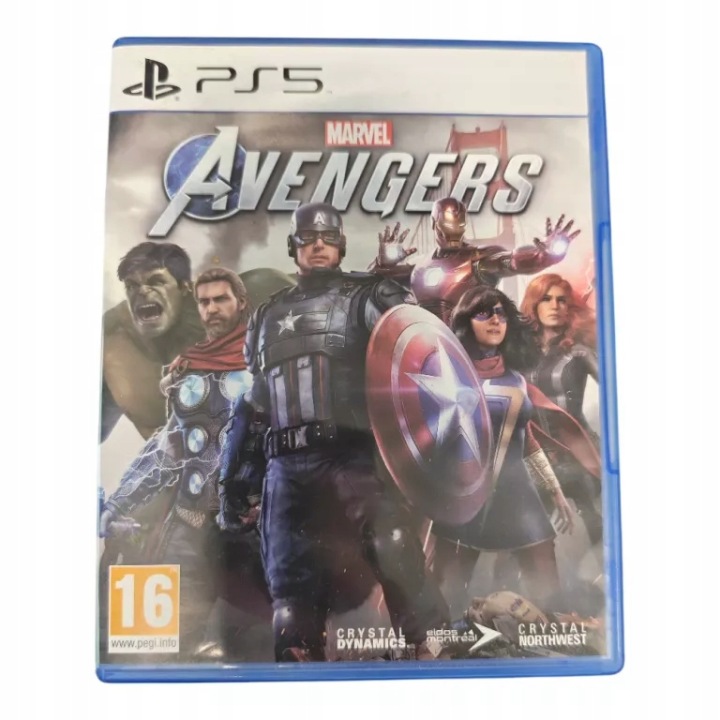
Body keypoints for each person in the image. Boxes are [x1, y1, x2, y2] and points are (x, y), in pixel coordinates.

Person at [216, 202, 450, 662]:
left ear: (341, 245)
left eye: (327, 238)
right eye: (308, 238)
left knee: (392, 548)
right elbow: (254, 402)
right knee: (288, 583)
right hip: (284, 469)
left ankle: (431, 647)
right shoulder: (267, 315)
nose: (318, 245)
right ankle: (300, 670)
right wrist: (233, 478)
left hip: (352, 455)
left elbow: (422, 357)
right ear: (294, 247)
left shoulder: (370, 296)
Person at [99, 268, 271, 659]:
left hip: (256, 523)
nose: (212, 309)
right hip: (192, 519)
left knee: (267, 640)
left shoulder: (268, 365)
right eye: (204, 301)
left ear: (241, 302)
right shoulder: (188, 368)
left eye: (221, 299)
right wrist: (120, 503)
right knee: (170, 640)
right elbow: (168, 449)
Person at [431, 286, 576, 612]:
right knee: (445, 597)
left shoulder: (516, 380)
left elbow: (526, 440)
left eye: (500, 313)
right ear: (466, 322)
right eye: (484, 313)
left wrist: (555, 491)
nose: (495, 320)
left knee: (548, 592)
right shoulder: (448, 377)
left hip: (516, 493)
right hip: (465, 495)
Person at [374, 197, 579, 323]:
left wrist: (542, 255)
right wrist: (384, 264)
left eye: (458, 227)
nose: (452, 235)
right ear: (433, 224)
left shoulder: (479, 260)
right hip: (424, 352)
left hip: (470, 355)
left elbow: (511, 261)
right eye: (446, 227)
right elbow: (380, 279)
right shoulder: (420, 267)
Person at [520, 273, 602, 547]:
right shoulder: (520, 353)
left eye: (561, 300)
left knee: (595, 525)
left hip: (578, 452)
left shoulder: (578, 352)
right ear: (534, 305)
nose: (555, 306)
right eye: (546, 299)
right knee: (528, 537)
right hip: (535, 455)